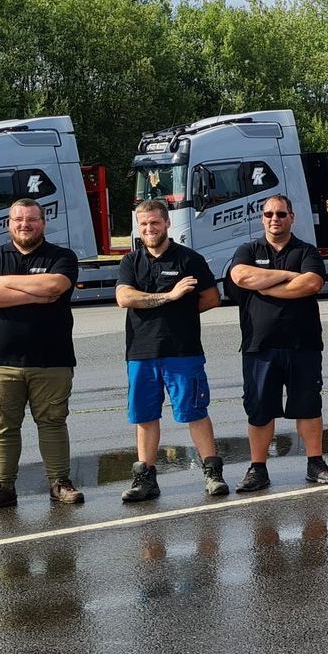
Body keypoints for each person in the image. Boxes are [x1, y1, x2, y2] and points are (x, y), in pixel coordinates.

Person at [0, 199, 84, 511]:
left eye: (31, 219)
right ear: (9, 223)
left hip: (52, 359)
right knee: (2, 425)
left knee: (53, 422)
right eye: (18, 219)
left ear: (43, 223)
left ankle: (60, 483)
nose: (24, 224)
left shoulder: (62, 256)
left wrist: (4, 285)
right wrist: (35, 292)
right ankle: (3, 488)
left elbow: (56, 284)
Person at [115, 198, 229, 502]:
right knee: (145, 415)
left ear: (167, 223)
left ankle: (212, 473)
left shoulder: (189, 259)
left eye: (155, 222)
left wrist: (181, 313)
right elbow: (125, 298)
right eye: (144, 224)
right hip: (141, 351)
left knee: (195, 411)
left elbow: (211, 298)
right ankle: (145, 479)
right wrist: (170, 297)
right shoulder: (131, 262)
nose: (150, 229)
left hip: (183, 350)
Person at [227, 195, 328, 492]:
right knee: (260, 409)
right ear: (262, 218)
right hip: (259, 346)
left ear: (292, 217)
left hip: (303, 344)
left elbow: (312, 283)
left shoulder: (306, 251)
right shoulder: (247, 250)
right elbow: (240, 276)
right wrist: (289, 278)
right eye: (268, 214)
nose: (274, 218)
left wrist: (264, 285)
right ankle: (258, 469)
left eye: (280, 213)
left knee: (308, 407)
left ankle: (315, 463)